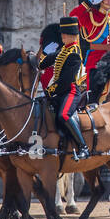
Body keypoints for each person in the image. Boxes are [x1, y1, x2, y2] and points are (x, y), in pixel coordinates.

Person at [43, 17, 89, 161]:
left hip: (71, 91)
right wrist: (39, 56)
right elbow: (47, 62)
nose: (63, 36)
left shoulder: (74, 53)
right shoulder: (64, 49)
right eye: (62, 33)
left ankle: (83, 146)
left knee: (64, 115)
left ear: (73, 35)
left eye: (66, 34)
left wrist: (50, 91)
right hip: (60, 92)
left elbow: (66, 80)